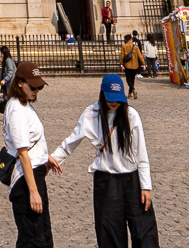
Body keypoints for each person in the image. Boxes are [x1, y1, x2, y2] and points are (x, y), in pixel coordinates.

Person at [50, 74, 160, 248]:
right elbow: (71, 141)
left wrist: (146, 187)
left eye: (118, 99)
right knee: (110, 236)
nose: (114, 103)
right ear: (102, 94)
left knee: (145, 234)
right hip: (106, 182)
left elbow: (141, 154)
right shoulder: (91, 114)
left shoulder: (131, 115)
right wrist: (53, 159)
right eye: (110, 99)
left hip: (132, 180)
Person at [3, 62, 61, 248]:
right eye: (33, 86)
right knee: (33, 239)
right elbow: (22, 153)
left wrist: (46, 157)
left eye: (40, 87)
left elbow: (33, 141)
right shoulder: (17, 110)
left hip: (35, 173)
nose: (36, 90)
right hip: (26, 180)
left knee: (42, 236)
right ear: (19, 83)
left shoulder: (24, 104)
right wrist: (34, 192)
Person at [120, 34, 145, 100]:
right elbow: (140, 56)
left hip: (127, 65)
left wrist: (121, 64)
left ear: (125, 40)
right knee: (132, 79)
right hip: (135, 65)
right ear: (131, 39)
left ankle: (133, 90)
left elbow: (122, 56)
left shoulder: (124, 46)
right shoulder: (135, 47)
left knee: (128, 79)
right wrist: (143, 64)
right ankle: (129, 93)